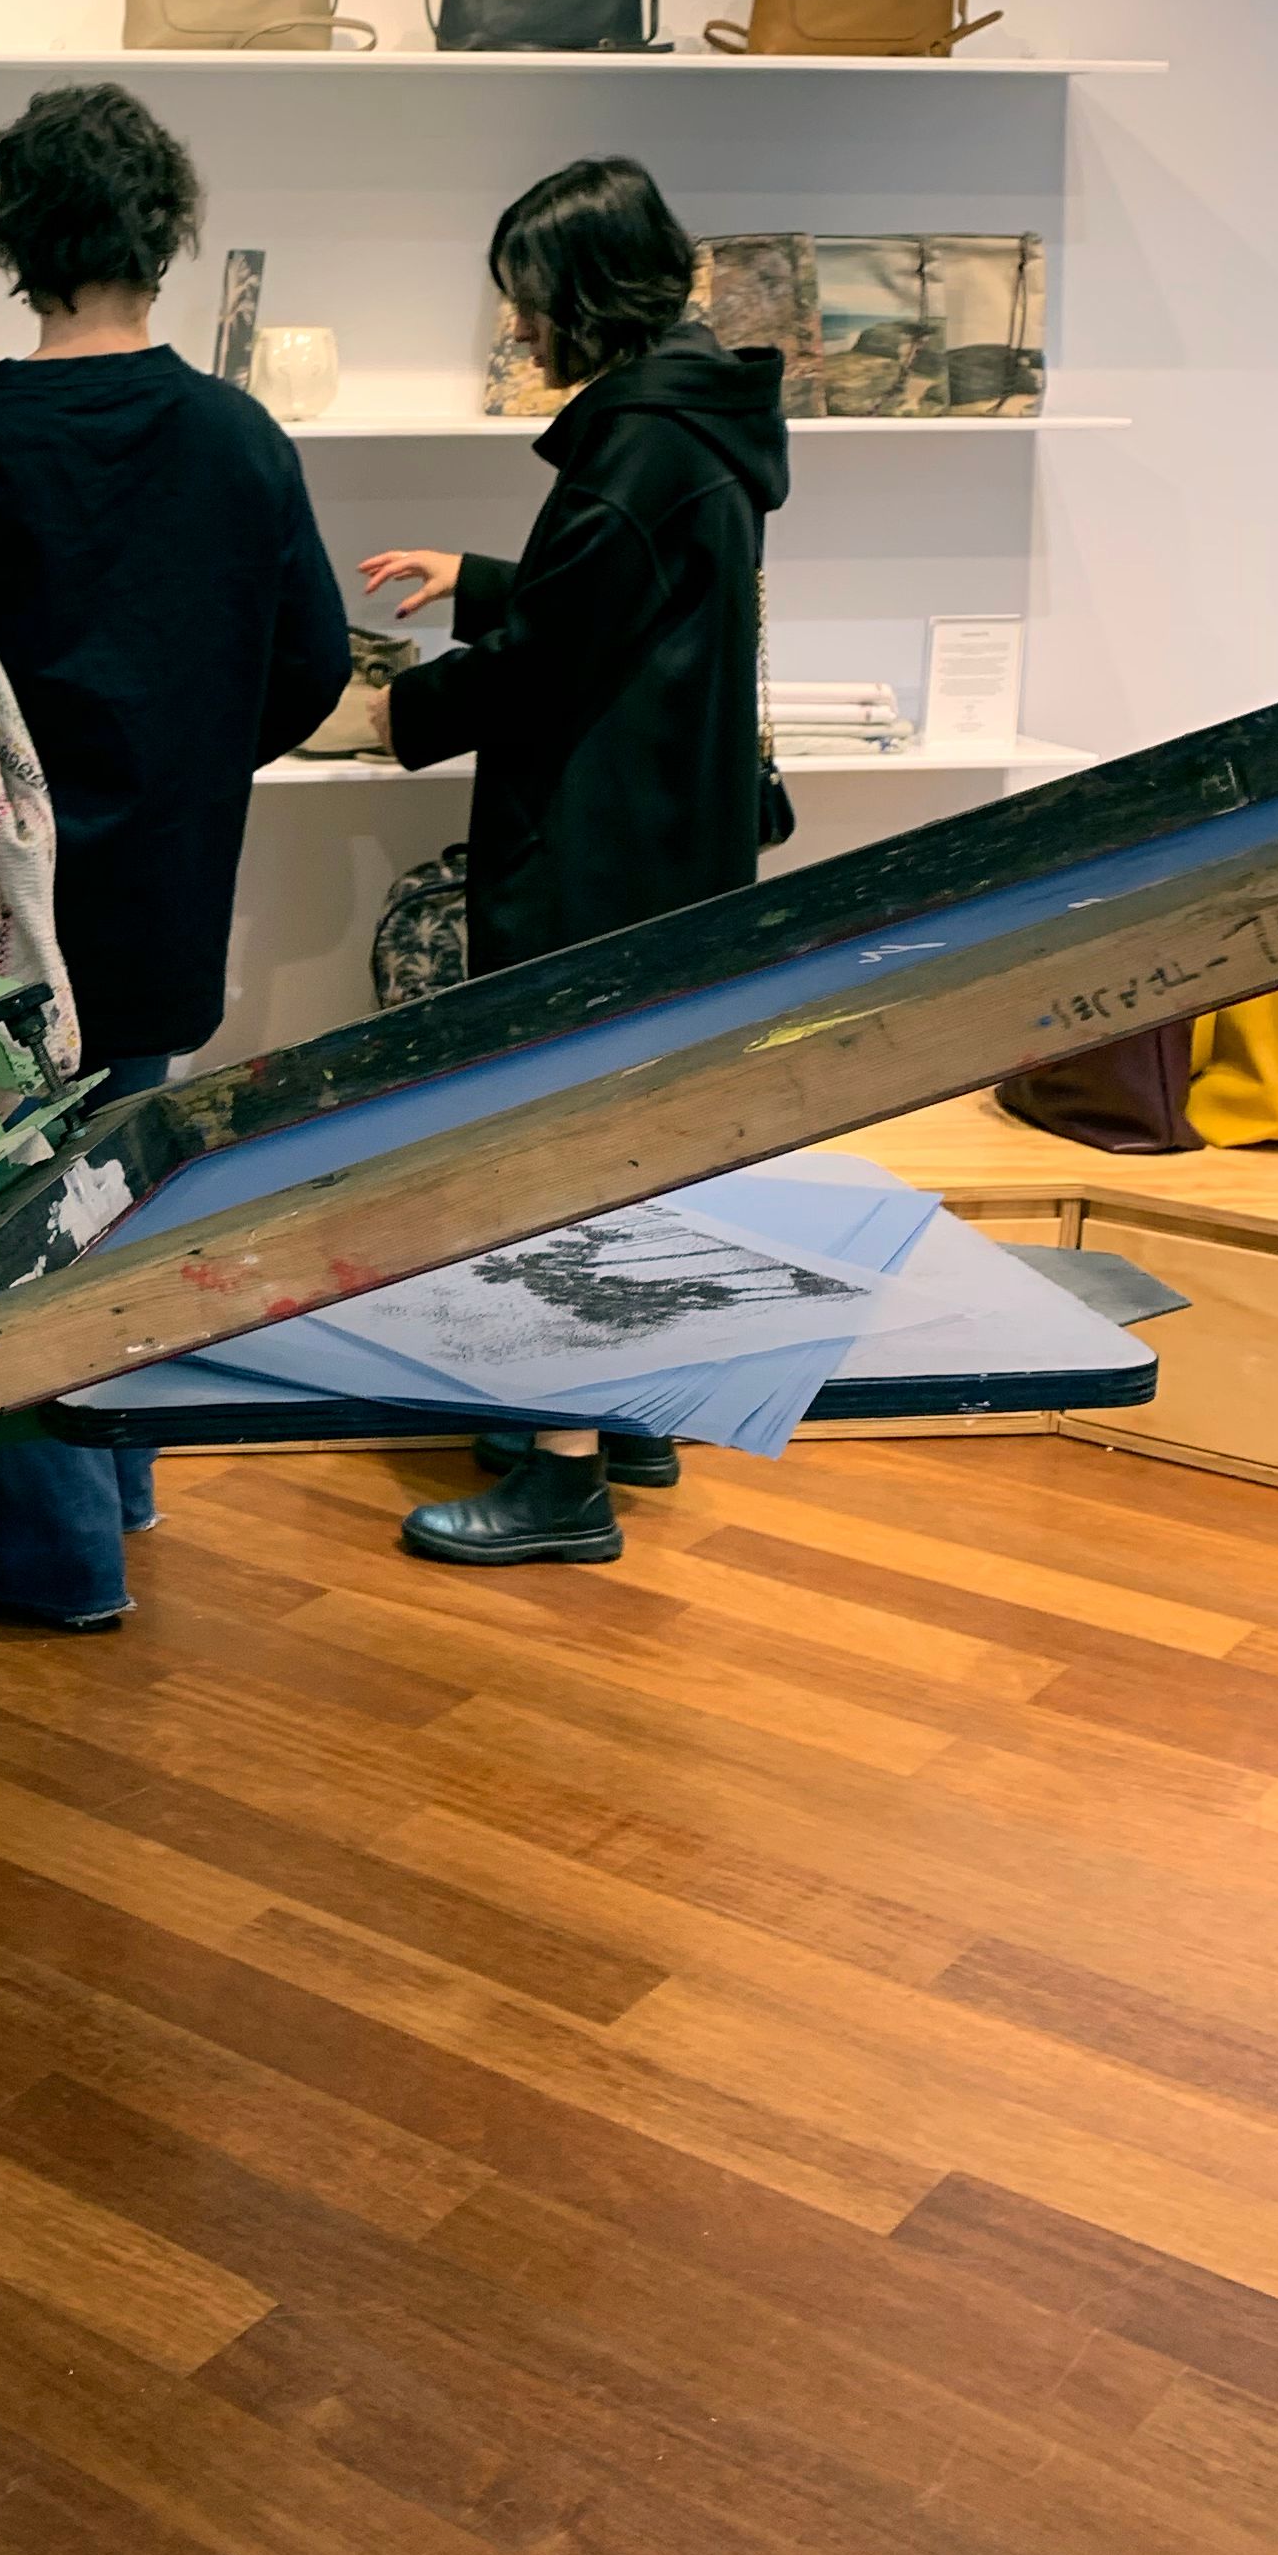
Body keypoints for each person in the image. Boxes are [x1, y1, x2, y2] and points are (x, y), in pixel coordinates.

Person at [0, 80, 350, 1630]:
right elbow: (311, 664)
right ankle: (123, 1480)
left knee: (5, 1215)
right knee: (122, 1194)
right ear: (164, 239)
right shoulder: (239, 439)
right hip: (159, 896)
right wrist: (183, 763)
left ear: (14, 244)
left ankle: (63, 1556)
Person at [359, 154, 785, 1570]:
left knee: (558, 1145)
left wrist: (399, 715)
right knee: (631, 1133)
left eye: (530, 298)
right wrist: (475, 577)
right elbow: (619, 601)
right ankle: (626, 1413)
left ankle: (563, 1481)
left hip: (596, 860)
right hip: (669, 845)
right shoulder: (696, 416)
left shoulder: (638, 442)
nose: (520, 327)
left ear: (586, 294)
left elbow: (551, 656)